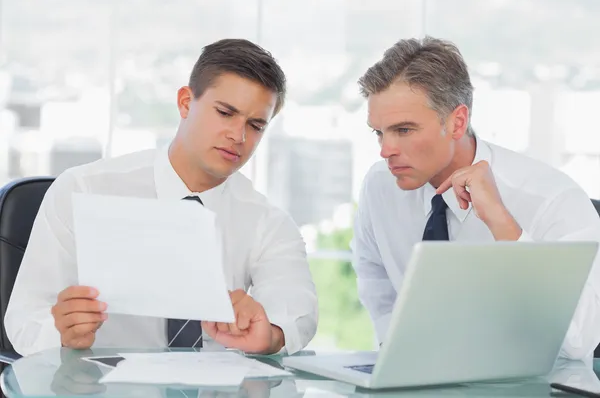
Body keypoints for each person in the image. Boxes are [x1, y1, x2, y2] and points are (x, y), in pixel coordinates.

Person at [5, 38, 318, 356]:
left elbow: (294, 307)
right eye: (225, 113)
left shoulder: (268, 221)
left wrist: (272, 333)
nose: (238, 136)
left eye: (256, 125)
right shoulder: (81, 189)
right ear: (185, 102)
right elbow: (24, 319)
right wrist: (59, 334)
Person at [351, 36, 600, 360]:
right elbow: (374, 273)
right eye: (379, 132)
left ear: (457, 122)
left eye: (404, 130)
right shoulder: (380, 186)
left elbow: (580, 340)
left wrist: (502, 223)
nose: (386, 150)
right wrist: (395, 350)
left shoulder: (552, 198)